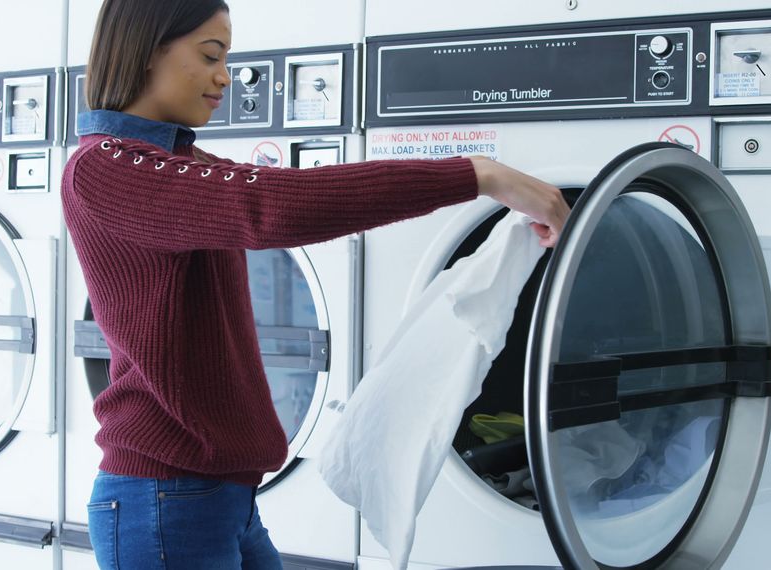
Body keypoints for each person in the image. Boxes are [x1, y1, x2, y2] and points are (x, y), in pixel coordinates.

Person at [63, 1, 570, 568]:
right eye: (211, 55)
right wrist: (479, 174)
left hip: (212, 495)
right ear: (147, 48)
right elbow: (268, 207)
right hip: (164, 501)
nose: (224, 77)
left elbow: (263, 199)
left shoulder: (170, 163)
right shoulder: (104, 169)